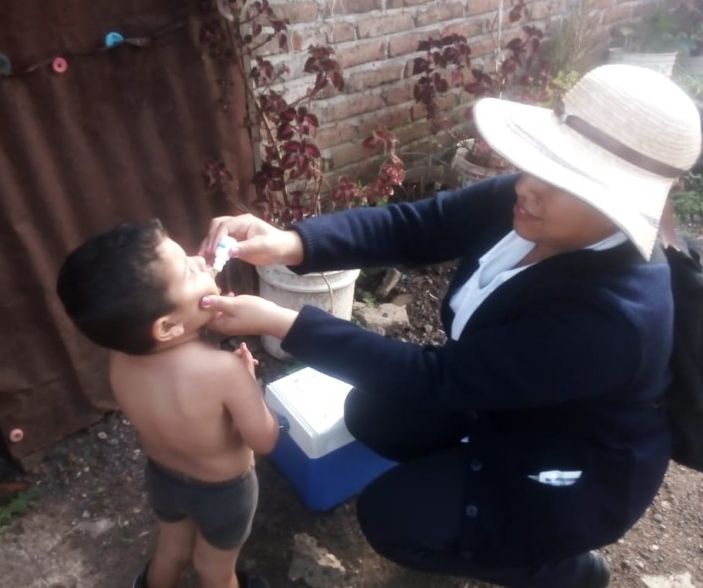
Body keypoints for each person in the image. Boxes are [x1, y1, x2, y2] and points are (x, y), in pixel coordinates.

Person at [197, 64, 702, 587]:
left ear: (618, 204)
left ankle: (562, 571)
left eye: (560, 179)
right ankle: (462, 480)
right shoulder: (529, 207)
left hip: (570, 466)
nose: (527, 186)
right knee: (373, 412)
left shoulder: (613, 318)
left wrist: (287, 324)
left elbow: (436, 377)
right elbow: (416, 226)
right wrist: (291, 242)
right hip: (503, 403)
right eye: (537, 162)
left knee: (390, 519)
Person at [56, 220, 278, 588]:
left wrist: (194, 307)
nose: (200, 260)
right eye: (190, 270)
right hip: (224, 493)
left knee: (172, 549)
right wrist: (249, 384)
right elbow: (264, 440)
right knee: (215, 570)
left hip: (163, 478)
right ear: (167, 327)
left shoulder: (120, 354)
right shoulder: (223, 371)